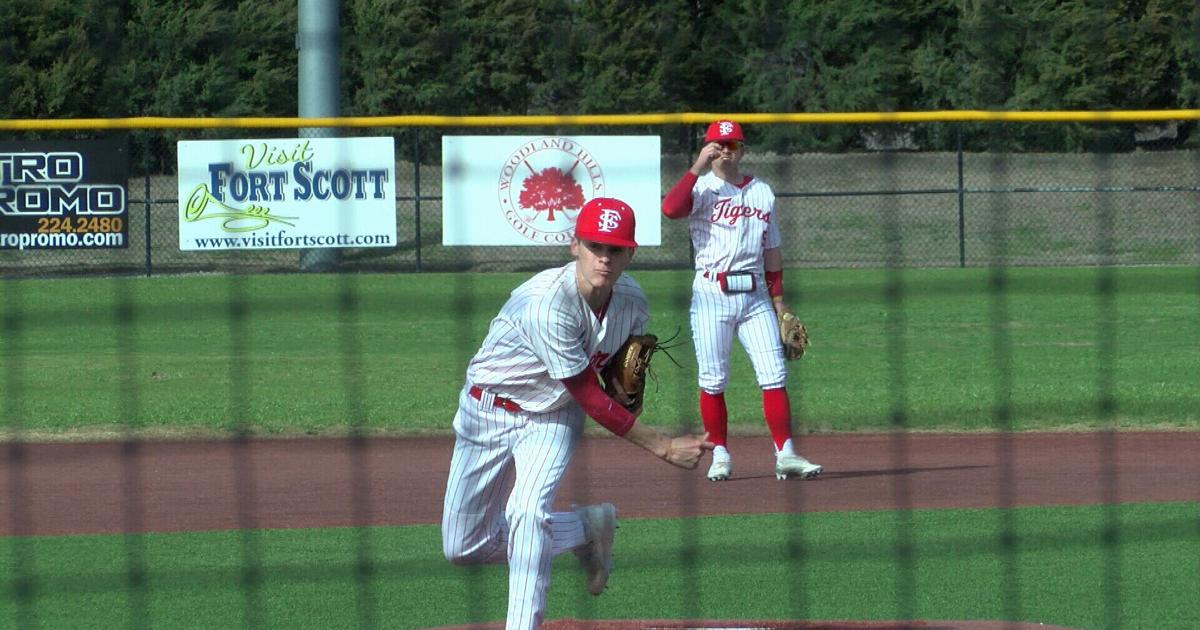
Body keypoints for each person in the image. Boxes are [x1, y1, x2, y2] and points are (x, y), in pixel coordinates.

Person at [441, 196, 714, 629]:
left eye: (615, 249)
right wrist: (663, 446)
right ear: (575, 246)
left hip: (553, 417)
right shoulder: (547, 303)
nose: (604, 258)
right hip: (487, 410)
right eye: (594, 246)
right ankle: (586, 527)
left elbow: (609, 380)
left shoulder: (632, 302)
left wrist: (623, 390)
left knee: (527, 512)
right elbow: (589, 394)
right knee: (462, 548)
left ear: (630, 254)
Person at [661, 119, 822, 482]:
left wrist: (779, 302)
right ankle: (720, 454)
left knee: (774, 374)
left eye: (732, 144)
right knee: (713, 379)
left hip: (755, 296)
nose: (725, 150)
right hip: (711, 294)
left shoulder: (762, 192)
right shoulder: (700, 188)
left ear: (743, 150)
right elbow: (670, 209)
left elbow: (772, 250)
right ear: (707, 148)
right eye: (718, 144)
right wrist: (697, 165)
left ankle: (786, 454)